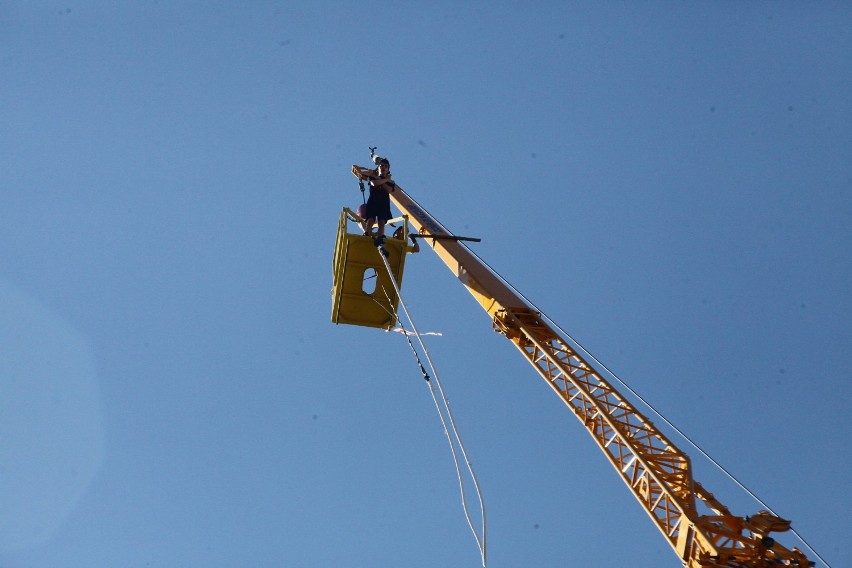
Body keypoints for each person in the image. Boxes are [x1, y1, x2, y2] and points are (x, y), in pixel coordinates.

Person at [363, 157, 396, 240]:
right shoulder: (372, 177)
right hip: (373, 201)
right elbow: (374, 183)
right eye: (381, 166)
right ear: (378, 168)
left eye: (385, 166)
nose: (383, 167)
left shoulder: (390, 182)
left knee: (381, 222)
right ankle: (367, 233)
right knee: (370, 219)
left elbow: (388, 190)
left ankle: (381, 236)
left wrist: (382, 181)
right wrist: (385, 181)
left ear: (388, 170)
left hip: (383, 203)